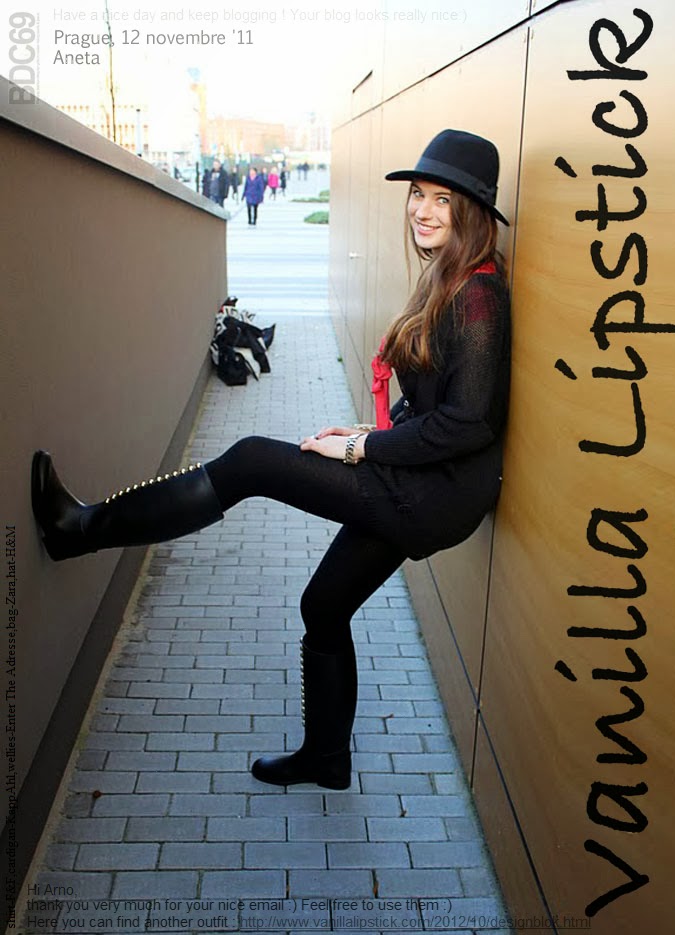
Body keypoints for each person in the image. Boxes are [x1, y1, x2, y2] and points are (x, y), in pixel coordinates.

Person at [31, 129, 511, 791]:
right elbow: (438, 400)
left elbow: (468, 421)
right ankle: (327, 760)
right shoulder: (450, 277)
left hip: (432, 495)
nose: (423, 210)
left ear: (473, 212)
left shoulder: (479, 296)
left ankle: (79, 529)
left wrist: (362, 447)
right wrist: (369, 429)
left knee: (252, 460)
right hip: (422, 480)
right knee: (324, 605)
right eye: (419, 194)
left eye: (443, 200)